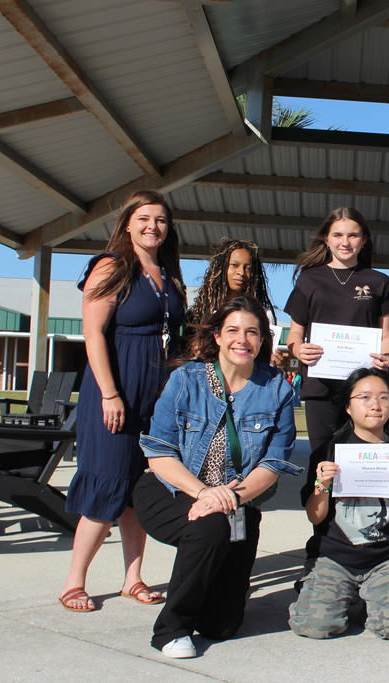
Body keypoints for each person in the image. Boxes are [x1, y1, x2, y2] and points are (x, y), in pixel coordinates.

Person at [134, 297, 300, 658]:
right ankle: (170, 630)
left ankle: (205, 594)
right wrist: (206, 494)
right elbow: (158, 451)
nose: (243, 339)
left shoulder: (278, 389)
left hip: (238, 504)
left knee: (221, 625)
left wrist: (232, 498)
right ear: (218, 336)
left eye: (252, 332)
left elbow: (273, 465)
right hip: (171, 489)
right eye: (234, 331)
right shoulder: (185, 379)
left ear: (262, 340)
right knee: (210, 528)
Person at [59, 190, 186, 613]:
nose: (153, 226)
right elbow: (93, 333)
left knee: (138, 488)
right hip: (115, 391)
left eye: (161, 220)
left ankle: (133, 578)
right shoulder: (112, 265)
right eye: (145, 218)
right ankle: (74, 582)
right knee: (108, 481)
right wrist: (110, 393)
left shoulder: (167, 274)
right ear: (128, 223)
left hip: (155, 395)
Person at [289, 368, 389, 641]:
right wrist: (321, 486)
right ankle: (334, 591)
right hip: (335, 557)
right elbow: (315, 517)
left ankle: (380, 593)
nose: (376, 405)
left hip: (388, 559)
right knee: (315, 626)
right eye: (365, 397)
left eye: (384, 398)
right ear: (348, 406)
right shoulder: (329, 451)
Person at [283, 208, 389, 455]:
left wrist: (387, 357)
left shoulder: (380, 282)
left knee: (361, 458)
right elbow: (294, 335)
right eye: (337, 235)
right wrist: (299, 349)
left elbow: (387, 336)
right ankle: (320, 497)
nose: (345, 242)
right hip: (320, 387)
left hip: (365, 390)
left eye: (353, 235)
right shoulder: (309, 279)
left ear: (364, 239)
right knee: (322, 462)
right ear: (326, 238)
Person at [187, 237, 283, 366]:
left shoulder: (264, 315)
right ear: (221, 268)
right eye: (234, 265)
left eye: (248, 268)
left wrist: (271, 358)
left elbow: (265, 355)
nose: (241, 272)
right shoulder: (198, 313)